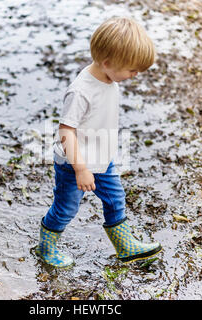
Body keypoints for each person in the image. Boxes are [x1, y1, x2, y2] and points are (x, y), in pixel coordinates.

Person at [36, 17, 162, 267]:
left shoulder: (109, 77)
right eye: (132, 70)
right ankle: (46, 248)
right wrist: (81, 169)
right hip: (74, 163)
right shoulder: (81, 91)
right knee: (66, 208)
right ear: (107, 63)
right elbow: (66, 131)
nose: (135, 75)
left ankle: (125, 246)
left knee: (116, 198)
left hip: (102, 157)